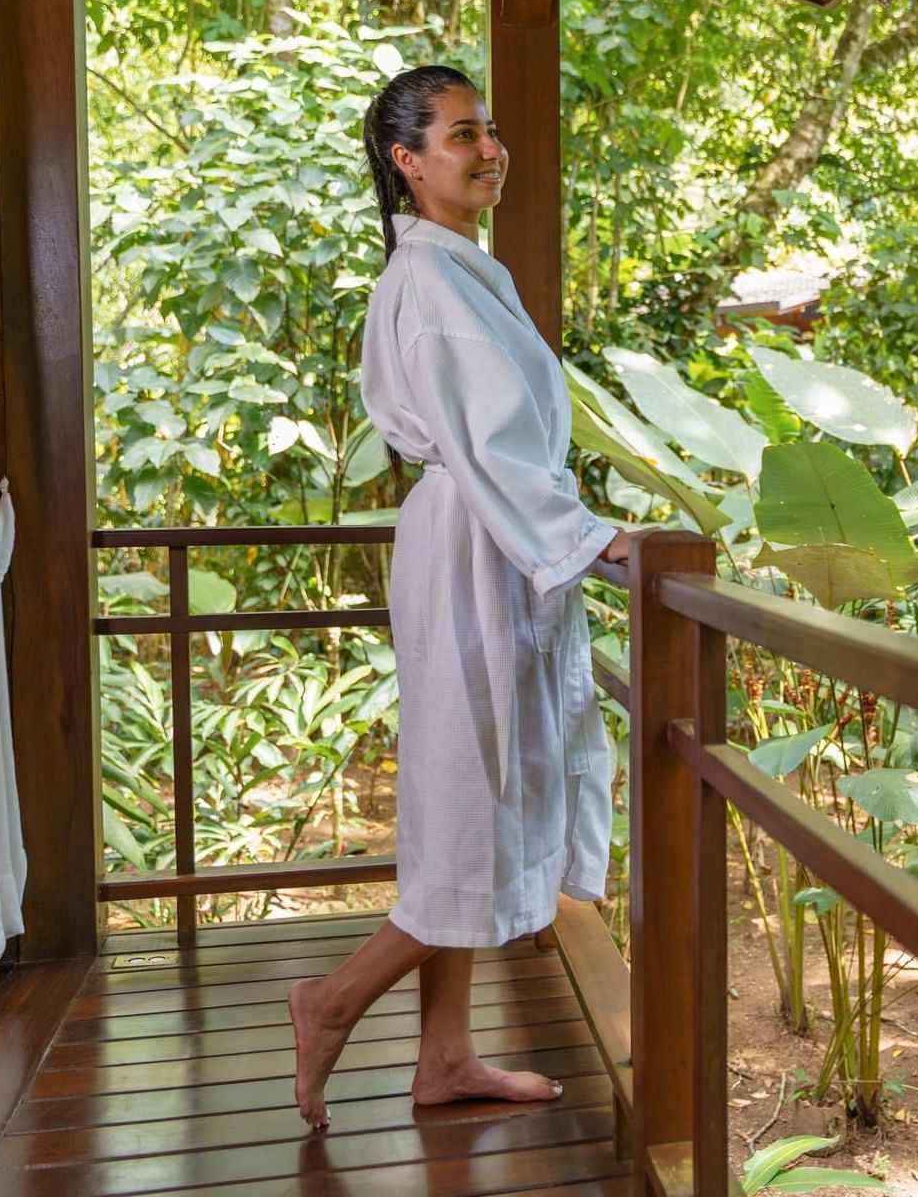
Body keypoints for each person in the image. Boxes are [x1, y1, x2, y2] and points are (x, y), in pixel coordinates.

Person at [287, 64, 630, 1130]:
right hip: (476, 544)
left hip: (483, 540)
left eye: (493, 130)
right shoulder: (429, 284)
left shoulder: (463, 269)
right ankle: (332, 1001)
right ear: (406, 160)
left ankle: (444, 1056)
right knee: (471, 806)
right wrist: (598, 538)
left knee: (467, 799)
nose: (490, 150)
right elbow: (491, 442)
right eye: (462, 134)